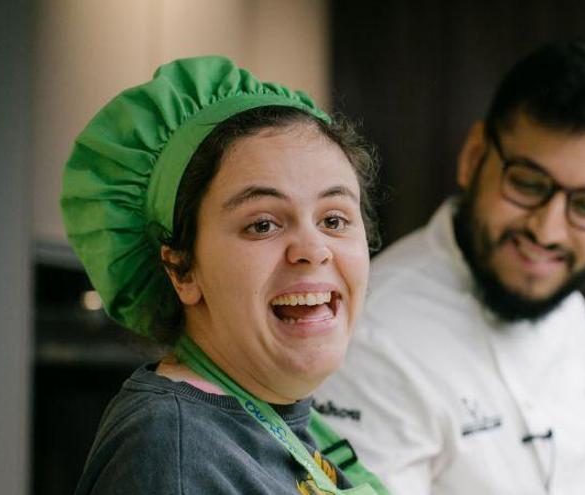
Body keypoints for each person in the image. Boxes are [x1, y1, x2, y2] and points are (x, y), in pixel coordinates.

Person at [314, 40, 585, 494]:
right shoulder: (372, 335)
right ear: (474, 156)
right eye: (528, 184)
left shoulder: (565, 301)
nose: (548, 231)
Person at [61, 56, 386, 494]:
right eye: (263, 224)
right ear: (181, 270)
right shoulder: (172, 451)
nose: (313, 249)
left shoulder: (288, 422)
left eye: (333, 219)